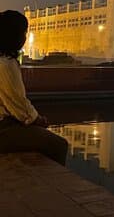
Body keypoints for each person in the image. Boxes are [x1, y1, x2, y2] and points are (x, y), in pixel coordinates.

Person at [0, 10, 68, 165]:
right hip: (2, 129)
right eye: (24, 32)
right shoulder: (6, 65)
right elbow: (18, 105)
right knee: (58, 145)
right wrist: (37, 119)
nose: (25, 37)